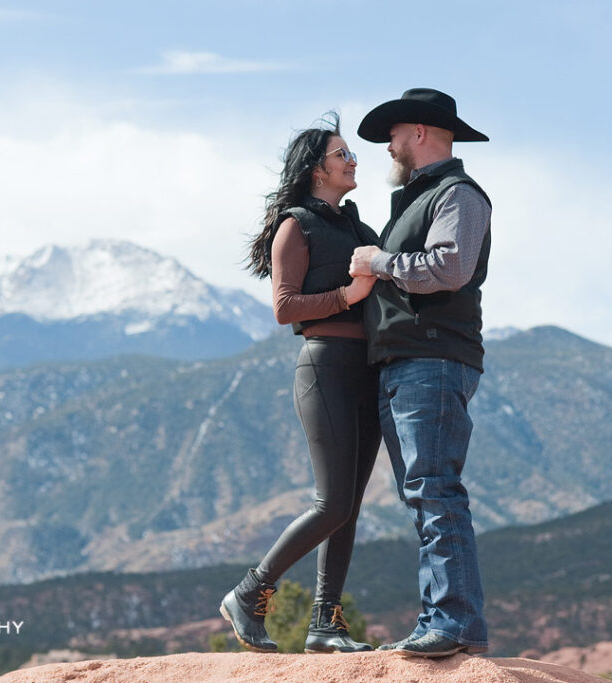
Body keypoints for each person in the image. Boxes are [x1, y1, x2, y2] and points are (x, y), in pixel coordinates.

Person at [220, 113, 381, 654]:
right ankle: (250, 591)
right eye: (344, 155)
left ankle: (325, 625)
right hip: (326, 365)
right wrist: (349, 297)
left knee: (349, 507)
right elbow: (285, 307)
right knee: (332, 502)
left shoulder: (360, 229)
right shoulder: (297, 225)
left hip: (368, 372)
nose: (354, 161)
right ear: (317, 169)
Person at [348, 88, 492, 658]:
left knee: (434, 489)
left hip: (433, 360)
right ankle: (446, 619)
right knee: (424, 493)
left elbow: (450, 267)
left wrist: (378, 262)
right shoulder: (419, 198)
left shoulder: (458, 194)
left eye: (395, 133)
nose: (388, 143)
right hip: (408, 362)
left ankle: (454, 622)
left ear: (422, 133)